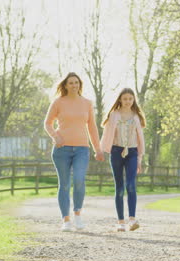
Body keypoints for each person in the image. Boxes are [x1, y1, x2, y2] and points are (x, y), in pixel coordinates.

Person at [44, 72, 105, 232]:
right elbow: (48, 123)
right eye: (70, 83)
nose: (74, 85)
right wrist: (55, 136)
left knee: (79, 180)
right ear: (65, 85)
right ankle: (66, 219)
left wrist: (97, 148)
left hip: (82, 149)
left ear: (80, 84)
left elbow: (92, 128)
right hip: (61, 150)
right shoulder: (58, 102)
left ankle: (77, 214)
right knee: (64, 185)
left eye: (76, 82)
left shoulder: (87, 103)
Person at [100, 88, 146, 232]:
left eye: (130, 99)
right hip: (116, 151)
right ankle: (120, 222)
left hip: (132, 152)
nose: (127, 101)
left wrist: (139, 158)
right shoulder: (114, 115)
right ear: (120, 99)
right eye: (125, 99)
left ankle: (132, 219)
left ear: (133, 100)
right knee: (119, 187)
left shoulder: (136, 116)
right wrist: (102, 149)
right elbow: (107, 133)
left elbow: (140, 139)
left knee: (131, 185)